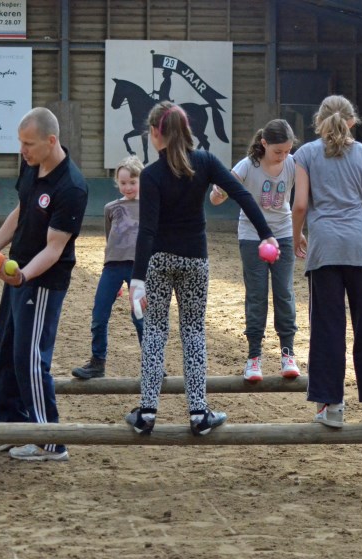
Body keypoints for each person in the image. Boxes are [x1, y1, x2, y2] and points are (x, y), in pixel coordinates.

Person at [125, 101, 278, 437]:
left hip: (160, 261)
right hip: (195, 259)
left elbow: (147, 231)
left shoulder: (150, 175)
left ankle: (147, 412)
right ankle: (198, 413)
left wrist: (137, 278)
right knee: (193, 333)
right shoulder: (205, 162)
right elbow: (241, 193)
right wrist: (266, 233)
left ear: (155, 134)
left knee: (155, 333)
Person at [0, 107, 88, 461]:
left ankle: (49, 440)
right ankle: (11, 426)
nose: (23, 150)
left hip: (42, 281)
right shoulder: (32, 166)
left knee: (30, 358)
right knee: (3, 351)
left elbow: (55, 249)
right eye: (20, 143)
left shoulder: (72, 187)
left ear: (51, 141)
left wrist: (22, 276)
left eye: (29, 144)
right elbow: (20, 213)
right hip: (17, 276)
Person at [291, 94, 362, 429]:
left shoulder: (305, 153)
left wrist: (296, 237)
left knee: (328, 328)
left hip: (324, 249)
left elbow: (301, 206)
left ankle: (332, 406)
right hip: (358, 246)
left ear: (318, 121)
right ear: (352, 121)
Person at [209, 119, 302, 383]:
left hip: (282, 235)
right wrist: (218, 194)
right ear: (264, 143)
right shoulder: (248, 166)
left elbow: (300, 200)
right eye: (278, 152)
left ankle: (288, 354)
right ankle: (254, 357)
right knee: (257, 295)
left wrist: (298, 230)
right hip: (252, 237)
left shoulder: (293, 164)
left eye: (287, 151)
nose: (283, 156)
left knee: (284, 292)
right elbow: (220, 193)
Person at [72, 156, 144, 379]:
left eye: (132, 182)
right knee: (99, 314)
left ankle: (153, 362)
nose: (128, 187)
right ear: (117, 183)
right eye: (123, 183)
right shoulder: (110, 208)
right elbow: (109, 237)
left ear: (141, 180)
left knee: (140, 316)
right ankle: (97, 361)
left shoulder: (150, 206)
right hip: (112, 268)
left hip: (138, 269)